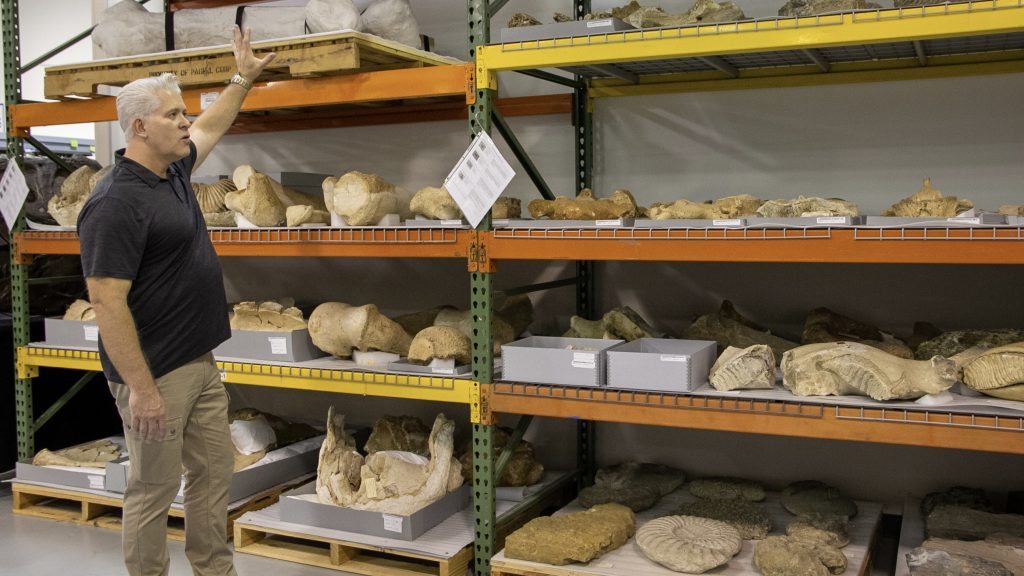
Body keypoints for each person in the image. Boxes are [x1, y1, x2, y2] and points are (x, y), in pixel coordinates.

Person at [77, 27, 274, 576]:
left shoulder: (175, 171)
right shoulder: (115, 202)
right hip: (154, 373)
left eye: (182, 112)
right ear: (139, 127)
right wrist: (141, 391)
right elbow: (106, 301)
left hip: (199, 361)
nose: (186, 122)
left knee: (214, 473)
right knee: (153, 487)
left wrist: (242, 77)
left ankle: (215, 569)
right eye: (172, 115)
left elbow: (215, 122)